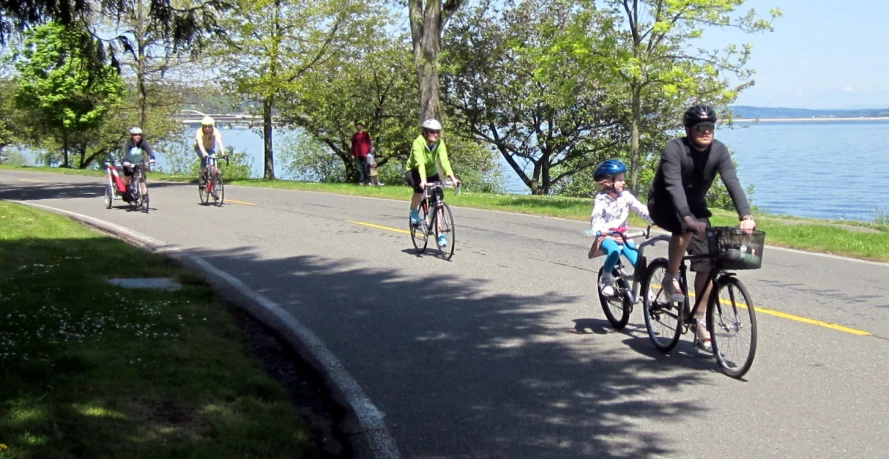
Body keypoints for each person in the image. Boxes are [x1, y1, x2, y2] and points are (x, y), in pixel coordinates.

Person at [647, 104, 756, 351]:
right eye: (701, 128)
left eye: (710, 127)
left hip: (695, 208)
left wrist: (746, 215)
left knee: (708, 261)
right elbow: (673, 185)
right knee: (684, 229)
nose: (707, 132)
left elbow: (732, 181)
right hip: (664, 206)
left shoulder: (719, 151)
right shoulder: (674, 149)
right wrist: (686, 217)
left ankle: (698, 320)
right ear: (688, 129)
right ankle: (671, 276)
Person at [586, 159, 653, 297]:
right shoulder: (601, 199)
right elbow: (596, 216)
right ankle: (605, 278)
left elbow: (641, 210)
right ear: (608, 182)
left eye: (624, 178)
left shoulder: (626, 197)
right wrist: (598, 229)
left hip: (623, 236)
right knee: (614, 251)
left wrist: (658, 218)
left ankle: (648, 292)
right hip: (606, 236)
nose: (624, 182)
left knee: (639, 263)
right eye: (620, 179)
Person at [405, 118, 461, 247]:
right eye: (432, 132)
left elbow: (444, 160)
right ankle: (414, 211)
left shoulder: (439, 143)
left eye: (437, 132)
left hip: (431, 172)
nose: (435, 134)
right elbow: (419, 163)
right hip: (414, 171)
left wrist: (452, 177)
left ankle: (440, 233)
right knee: (419, 190)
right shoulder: (418, 142)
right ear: (425, 132)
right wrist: (423, 180)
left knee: (438, 199)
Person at [117, 126, 156, 196]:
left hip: (138, 161)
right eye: (135, 135)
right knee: (128, 176)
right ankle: (123, 189)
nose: (137, 136)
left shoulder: (143, 142)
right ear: (132, 135)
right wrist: (125, 160)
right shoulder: (128, 142)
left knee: (142, 175)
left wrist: (152, 158)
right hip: (128, 162)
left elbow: (149, 150)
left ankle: (144, 192)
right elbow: (124, 151)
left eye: (139, 134)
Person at [194, 116, 226, 188]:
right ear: (203, 126)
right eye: (205, 126)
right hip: (199, 148)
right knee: (205, 159)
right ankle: (202, 178)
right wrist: (204, 153)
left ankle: (213, 187)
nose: (207, 128)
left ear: (212, 126)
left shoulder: (215, 131)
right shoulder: (199, 132)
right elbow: (200, 144)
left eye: (209, 126)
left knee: (213, 165)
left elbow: (219, 142)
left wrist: (223, 153)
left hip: (210, 149)